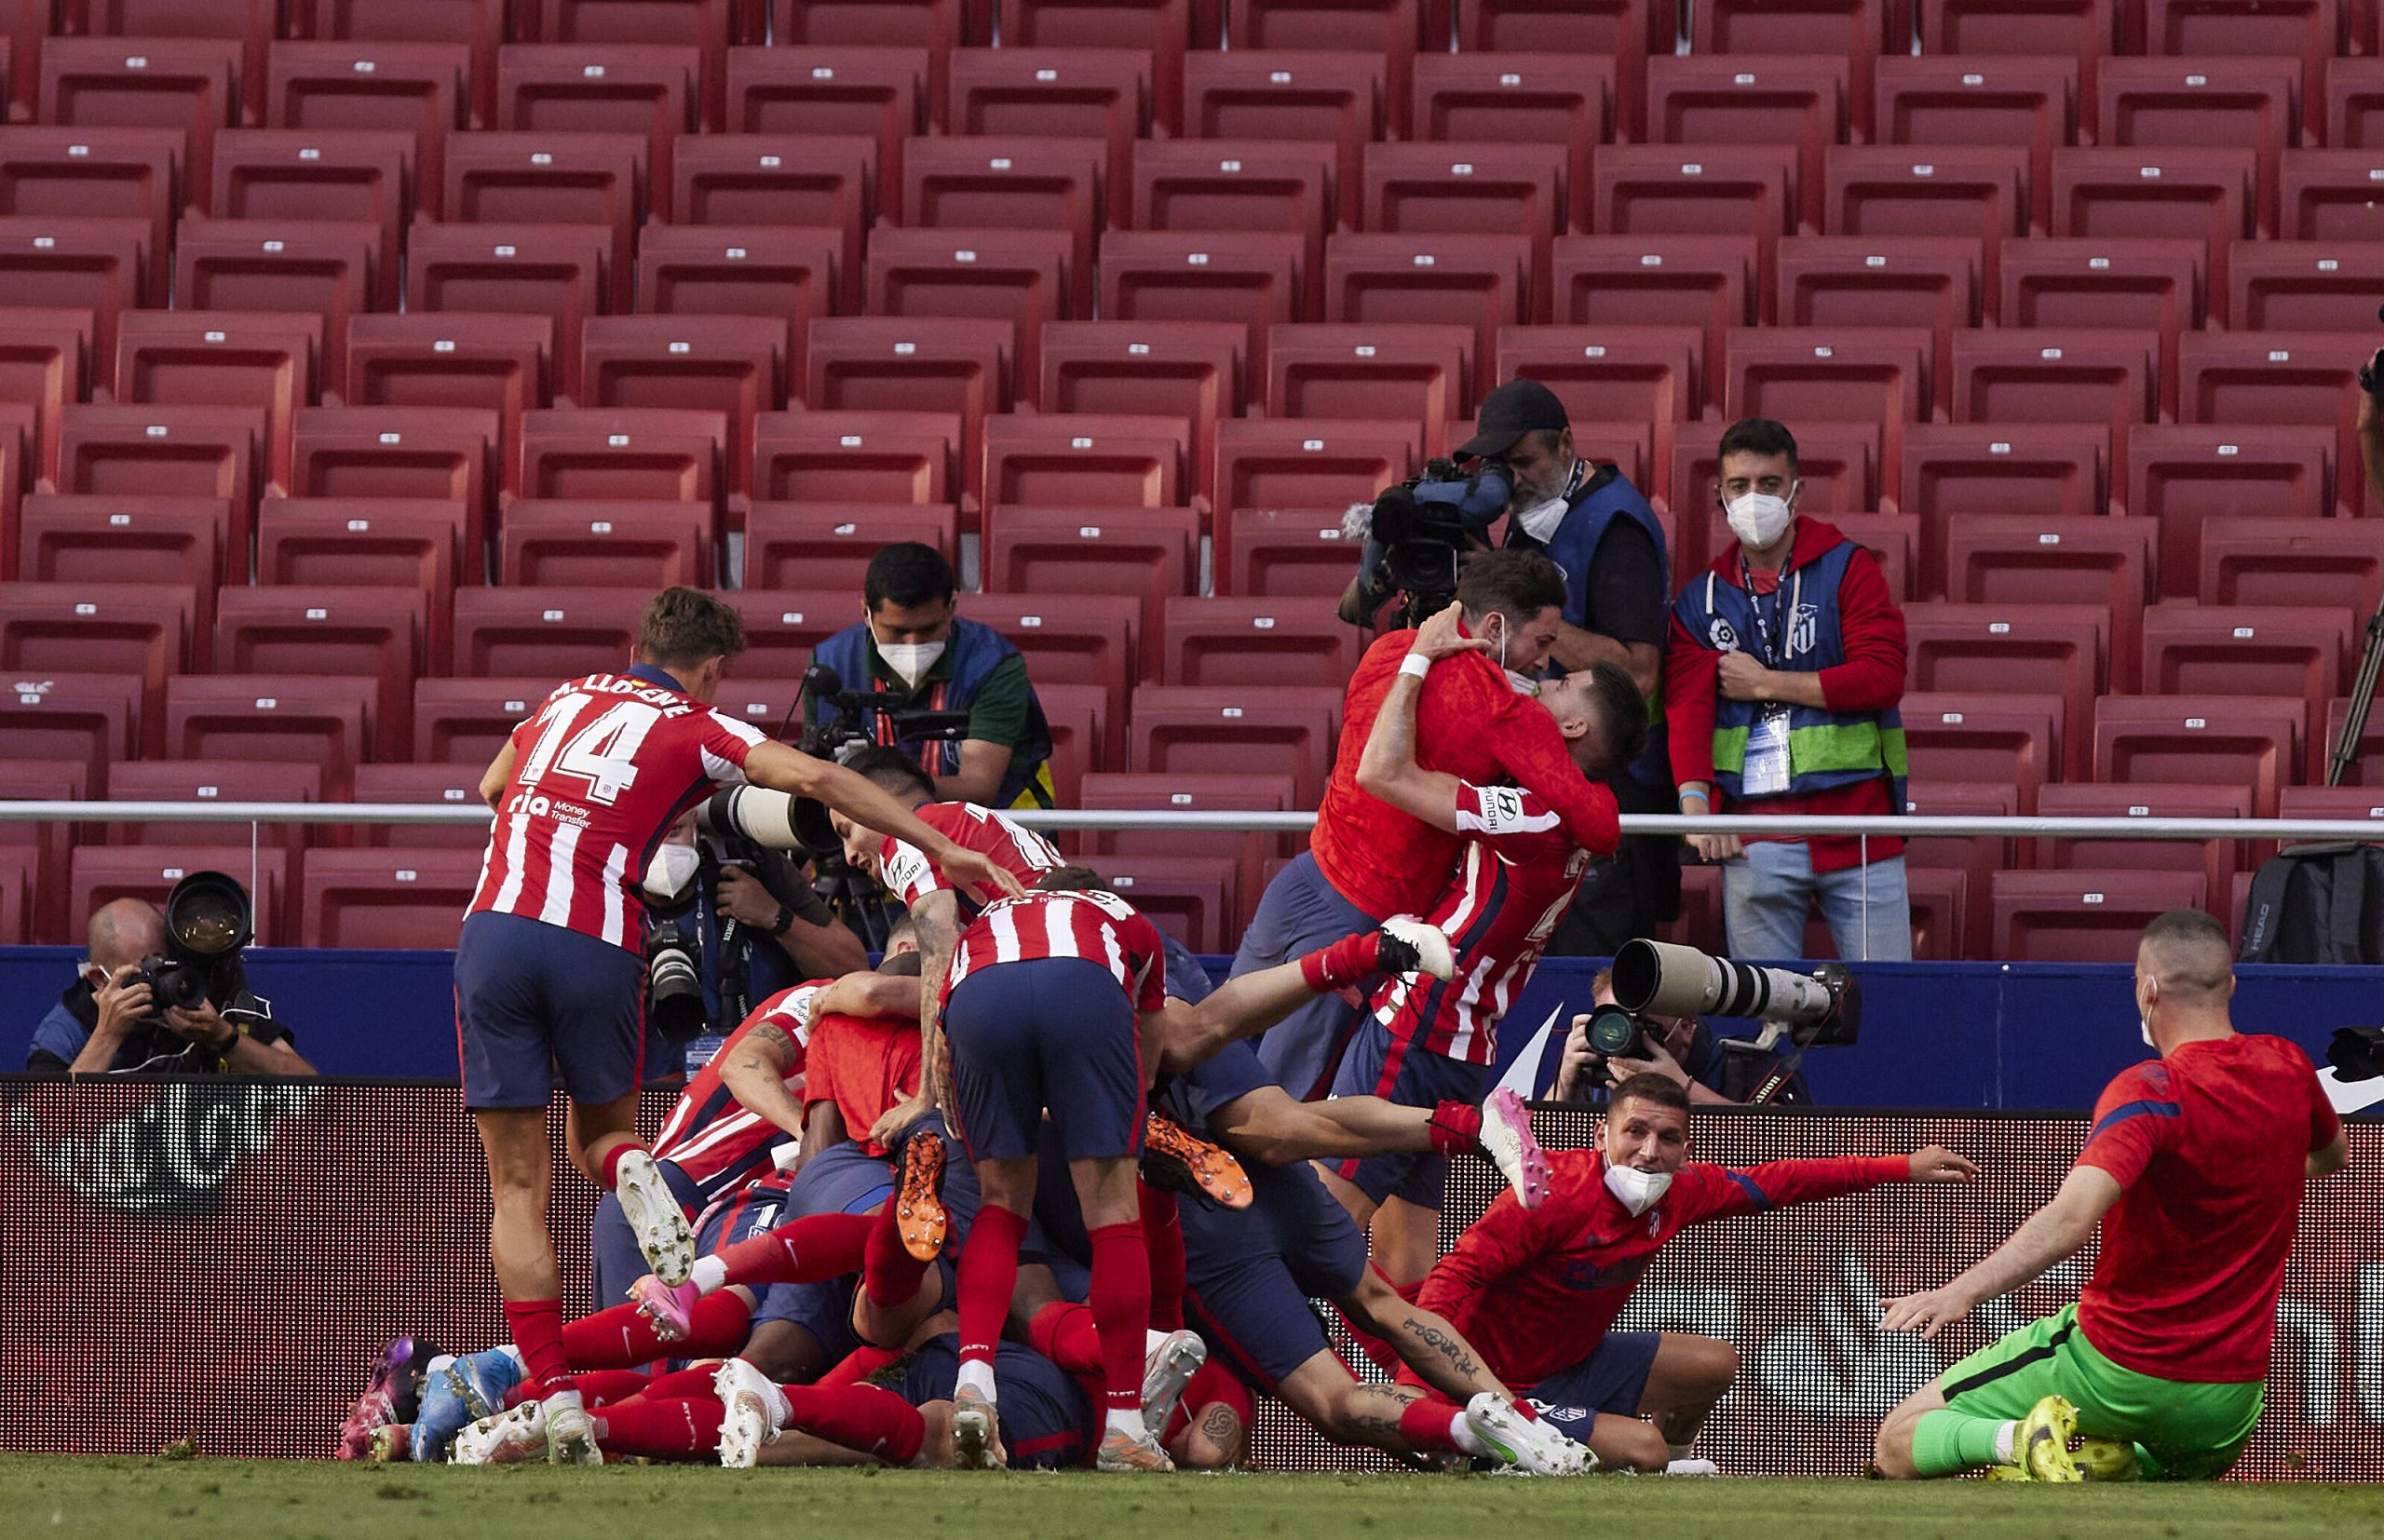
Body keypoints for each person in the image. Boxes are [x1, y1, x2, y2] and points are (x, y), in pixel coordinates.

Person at [453, 585, 1024, 1466]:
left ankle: (557, 1398)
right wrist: (940, 843)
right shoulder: (696, 725)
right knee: (601, 1137)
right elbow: (821, 779)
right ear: (714, 668)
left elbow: (494, 786)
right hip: (599, 939)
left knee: (519, 1190)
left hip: (496, 929)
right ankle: (632, 1159)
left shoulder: (563, 698)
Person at [1872, 910, 2349, 1483]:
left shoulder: (2151, 1088)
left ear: (2147, 990)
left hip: (2114, 1367)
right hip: (2225, 1405)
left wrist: (1964, 1290)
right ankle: (2100, 1463)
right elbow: (2331, 1157)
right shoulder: (2289, 1066)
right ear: (2231, 985)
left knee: (1899, 1439)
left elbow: (2073, 1218)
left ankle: (2021, 1438)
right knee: (2129, 1483)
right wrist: (2245, 1171)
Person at [1418, 1074, 1977, 1471]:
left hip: (1574, 1363)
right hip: (1501, 1383)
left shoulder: (1684, 1192)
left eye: (1668, 1138)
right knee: (1644, 1450)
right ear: (1602, 1138)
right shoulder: (1550, 1194)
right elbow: (1450, 1282)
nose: (1649, 1151)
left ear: (1686, 1147)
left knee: (1716, 1363)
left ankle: (1677, 1467)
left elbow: (1784, 1180)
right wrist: (1421, 1393)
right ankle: (1485, 1450)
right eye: (1635, 1132)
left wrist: (1902, 1165)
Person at [1235, 548, 1621, 1104]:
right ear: (1495, 627)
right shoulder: (1508, 714)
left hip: (1300, 880)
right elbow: (1598, 827)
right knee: (1278, 1105)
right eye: (1541, 643)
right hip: (1358, 922)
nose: (1545, 664)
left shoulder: (1390, 649)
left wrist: (1424, 656)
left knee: (1219, 1054)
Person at [1338, 600, 1646, 1284]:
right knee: (1407, 1262)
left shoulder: (1536, 815)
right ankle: (1411, 1387)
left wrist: (1420, 655)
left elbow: (1381, 773)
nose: (1545, 679)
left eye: (1562, 684)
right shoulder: (1572, 815)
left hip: (1419, 1026)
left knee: (1321, 1227)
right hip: (1465, 1046)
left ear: (1571, 726)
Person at [1664, 417, 1911, 962]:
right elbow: (1686, 708)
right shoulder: (1701, 599)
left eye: (1769, 485)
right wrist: (1695, 805)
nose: (1755, 498)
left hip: (1858, 828)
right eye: (1739, 486)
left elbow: (1883, 677)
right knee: (1766, 1015)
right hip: (1756, 837)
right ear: (1720, 496)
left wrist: (1768, 683)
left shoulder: (1849, 568)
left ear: (1796, 492)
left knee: (1890, 1003)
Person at [1464, 377, 1682, 954]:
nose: (1514, 480)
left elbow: (1636, 675)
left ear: (1565, 444)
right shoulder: (1530, 512)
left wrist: (1532, 622)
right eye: (1501, 467)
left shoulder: (1616, 524)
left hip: (1612, 786)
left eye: (1525, 461)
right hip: (1543, 780)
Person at [809, 541, 1057, 810]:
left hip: (990, 827)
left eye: (927, 630)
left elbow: (979, 789)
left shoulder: (994, 666)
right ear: (866, 614)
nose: (912, 644)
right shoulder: (829, 664)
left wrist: (872, 786)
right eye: (897, 631)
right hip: (871, 828)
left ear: (950, 609)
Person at [27, 896, 311, 1075]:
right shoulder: (69, 1023)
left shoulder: (198, 997)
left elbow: (312, 1090)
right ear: (99, 979)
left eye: (165, 965)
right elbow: (38, 1131)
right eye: (144, 973)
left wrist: (222, 1037)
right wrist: (107, 1035)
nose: (160, 981)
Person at [1549, 967, 1810, 1107]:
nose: (1629, 1039)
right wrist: (1564, 1086)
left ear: (1686, 1026)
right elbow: (1533, 1156)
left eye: (1646, 1027)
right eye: (1617, 1025)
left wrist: (1684, 1089)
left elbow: (1785, 1144)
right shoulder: (1597, 1066)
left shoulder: (1745, 1063)